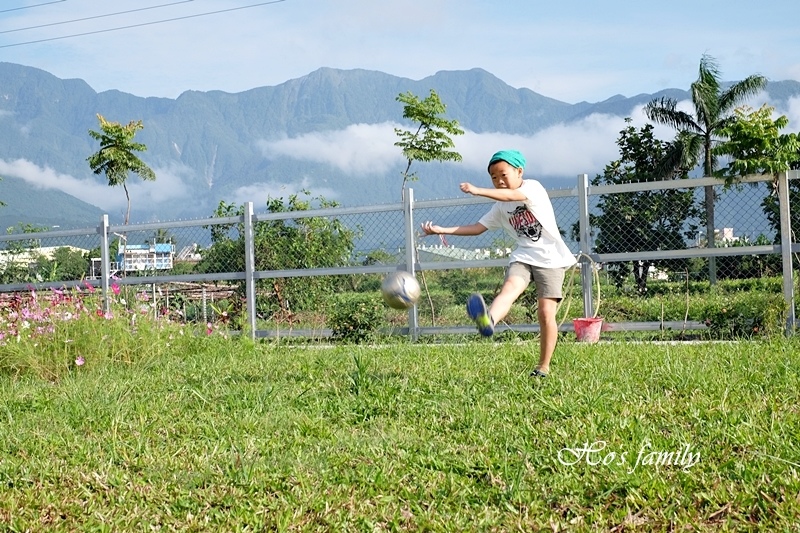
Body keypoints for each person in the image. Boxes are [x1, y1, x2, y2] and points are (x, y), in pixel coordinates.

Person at [420, 149, 576, 377]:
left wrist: (477, 190)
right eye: (493, 177)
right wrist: (441, 230)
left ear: (519, 171)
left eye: (503, 175)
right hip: (523, 256)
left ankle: (543, 366)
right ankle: (488, 320)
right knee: (509, 289)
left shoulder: (532, 188)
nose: (498, 181)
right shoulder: (500, 208)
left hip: (551, 259)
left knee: (545, 313)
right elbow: (477, 228)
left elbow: (512, 196)